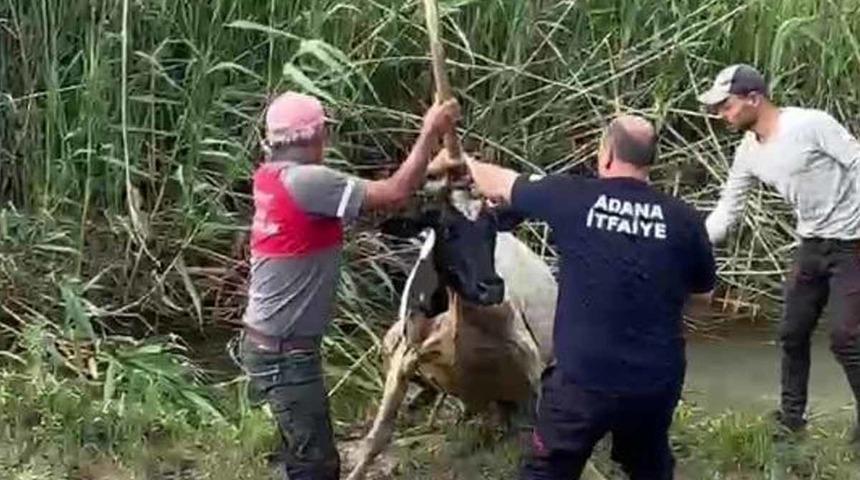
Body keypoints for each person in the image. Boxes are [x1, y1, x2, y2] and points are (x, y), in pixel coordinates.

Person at [451, 115, 716, 479]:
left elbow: (497, 181)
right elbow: (702, 299)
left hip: (582, 381)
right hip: (654, 383)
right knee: (649, 467)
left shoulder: (571, 195)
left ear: (605, 154)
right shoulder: (685, 219)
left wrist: (456, 153)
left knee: (548, 470)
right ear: (650, 159)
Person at [238, 91, 459, 480]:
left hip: (270, 344)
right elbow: (392, 194)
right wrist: (429, 133)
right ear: (317, 136)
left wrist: (429, 166)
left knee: (302, 448)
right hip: (284, 353)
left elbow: (380, 188)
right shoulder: (309, 181)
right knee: (319, 465)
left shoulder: (273, 176)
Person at [697, 64, 860, 438]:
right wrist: (688, 241)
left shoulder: (810, 125)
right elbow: (727, 211)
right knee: (791, 332)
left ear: (754, 98)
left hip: (853, 244)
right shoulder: (748, 152)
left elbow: (856, 161)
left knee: (846, 338)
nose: (721, 114)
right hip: (812, 244)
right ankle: (791, 421)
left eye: (726, 105)